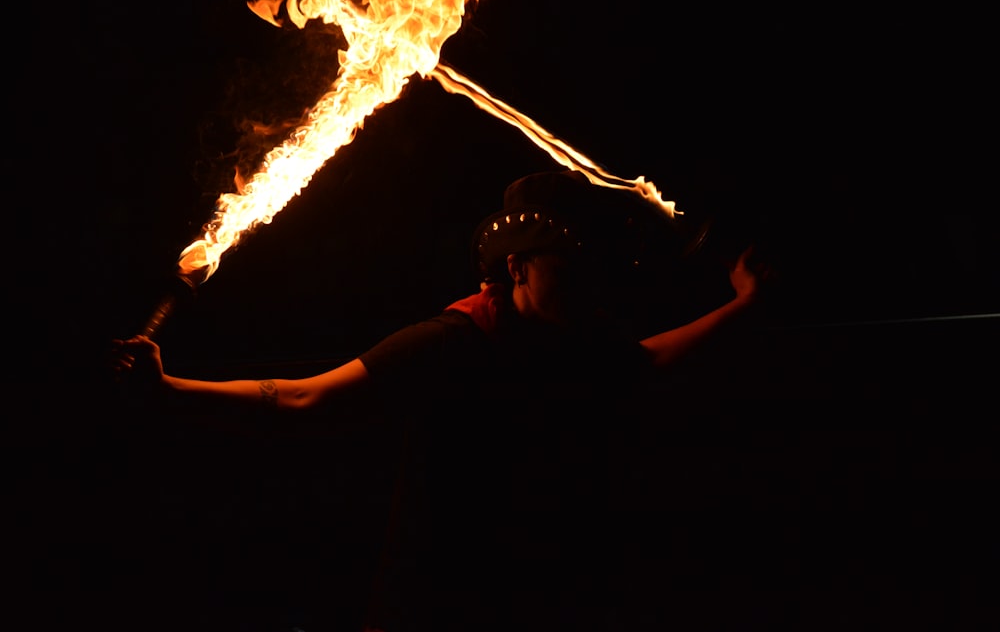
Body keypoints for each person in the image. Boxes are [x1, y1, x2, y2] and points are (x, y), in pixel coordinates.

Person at [111, 169, 775, 632]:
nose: (584, 287)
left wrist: (746, 307)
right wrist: (169, 389)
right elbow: (305, 397)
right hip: (429, 610)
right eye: (565, 269)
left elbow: (647, 359)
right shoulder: (454, 339)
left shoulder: (571, 345)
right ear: (517, 268)